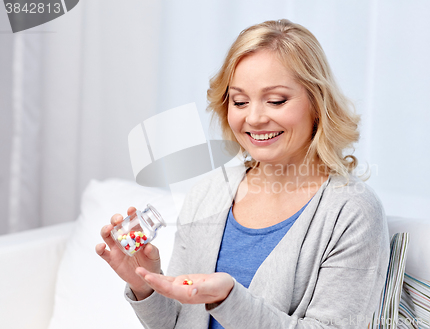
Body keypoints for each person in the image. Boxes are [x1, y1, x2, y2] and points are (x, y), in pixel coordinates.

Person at [96, 19, 390, 329]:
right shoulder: (208, 193)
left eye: (276, 100)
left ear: (317, 103)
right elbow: (178, 324)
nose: (254, 117)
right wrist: (145, 285)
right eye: (239, 101)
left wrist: (229, 301)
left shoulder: (353, 211)